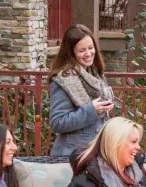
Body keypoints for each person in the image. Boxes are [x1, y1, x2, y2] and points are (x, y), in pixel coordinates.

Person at [48, 24, 114, 158]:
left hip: (92, 153)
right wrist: (91, 110)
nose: (89, 54)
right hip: (71, 156)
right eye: (82, 50)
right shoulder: (64, 79)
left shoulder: (94, 73)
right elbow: (57, 122)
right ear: (71, 52)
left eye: (91, 48)